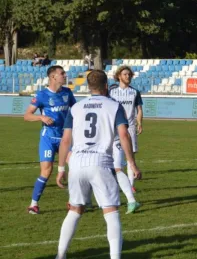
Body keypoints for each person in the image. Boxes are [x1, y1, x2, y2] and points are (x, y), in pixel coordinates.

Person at [55, 70, 141, 259]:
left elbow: (65, 140)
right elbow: (124, 135)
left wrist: (61, 168)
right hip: (100, 161)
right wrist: (132, 164)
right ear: (105, 86)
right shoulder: (113, 106)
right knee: (111, 212)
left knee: (75, 210)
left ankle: (60, 256)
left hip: (76, 162)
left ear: (88, 86)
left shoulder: (76, 107)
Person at [23, 65, 76, 214]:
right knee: (46, 171)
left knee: (75, 167)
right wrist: (41, 117)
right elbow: (27, 115)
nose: (65, 75)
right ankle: (34, 204)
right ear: (53, 77)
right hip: (48, 138)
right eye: (62, 73)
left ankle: (73, 201)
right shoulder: (41, 95)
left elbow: (76, 109)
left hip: (65, 137)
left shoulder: (67, 92)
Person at [109, 65, 144, 212]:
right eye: (125, 74)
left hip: (129, 128)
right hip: (114, 128)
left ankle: (129, 186)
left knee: (131, 158)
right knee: (115, 161)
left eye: (129, 74)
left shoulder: (134, 92)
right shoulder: (112, 91)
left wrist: (139, 123)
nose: (128, 76)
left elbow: (139, 110)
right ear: (118, 76)